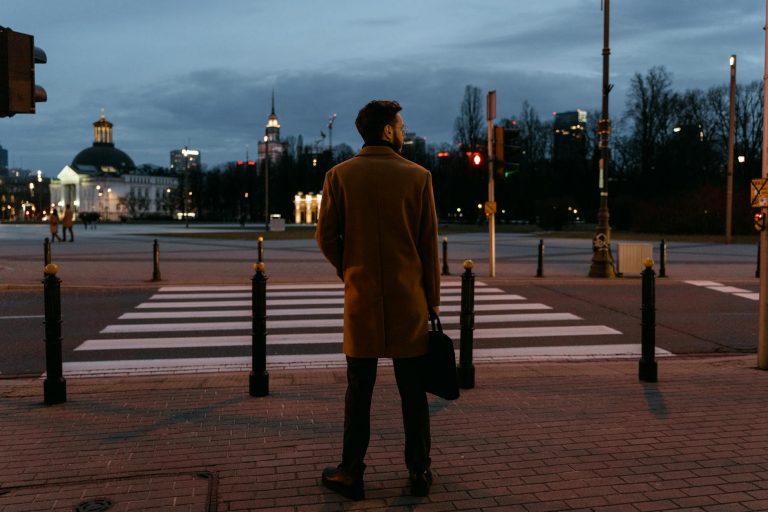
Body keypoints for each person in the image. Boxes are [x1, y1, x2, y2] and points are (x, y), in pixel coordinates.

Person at [315, 100, 440, 500]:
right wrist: (431, 301)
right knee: (413, 394)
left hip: (362, 300)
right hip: (408, 302)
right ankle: (419, 471)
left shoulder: (339, 176)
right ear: (387, 130)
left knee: (359, 392)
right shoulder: (419, 177)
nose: (404, 130)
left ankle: (352, 472)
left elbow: (325, 236)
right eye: (400, 125)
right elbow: (428, 247)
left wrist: (349, 269)